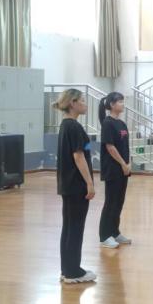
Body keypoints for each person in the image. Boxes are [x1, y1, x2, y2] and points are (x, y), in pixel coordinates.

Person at [54, 89, 97, 284]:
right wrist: (89, 183)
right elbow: (79, 157)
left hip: (67, 184)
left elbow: (82, 152)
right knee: (75, 228)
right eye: (82, 100)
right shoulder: (74, 127)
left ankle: (68, 270)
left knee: (69, 227)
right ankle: (73, 272)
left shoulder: (65, 125)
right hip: (76, 185)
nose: (85, 104)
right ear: (73, 103)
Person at [98, 91, 132, 250]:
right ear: (112, 105)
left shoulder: (122, 124)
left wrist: (128, 163)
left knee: (119, 201)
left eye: (123, 101)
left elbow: (125, 146)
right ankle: (105, 236)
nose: (123, 104)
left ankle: (115, 232)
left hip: (123, 169)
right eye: (120, 102)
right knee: (111, 202)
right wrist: (123, 164)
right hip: (112, 169)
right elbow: (110, 147)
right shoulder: (107, 123)